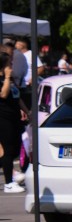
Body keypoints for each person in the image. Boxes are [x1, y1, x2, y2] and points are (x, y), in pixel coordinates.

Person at [0, 40, 23, 193]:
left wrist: (26, 110)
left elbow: (16, 96)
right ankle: (9, 182)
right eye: (9, 63)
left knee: (15, 148)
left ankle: (12, 175)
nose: (11, 66)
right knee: (7, 150)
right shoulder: (4, 79)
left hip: (14, 116)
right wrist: (7, 78)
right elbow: (3, 94)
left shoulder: (10, 79)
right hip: (3, 117)